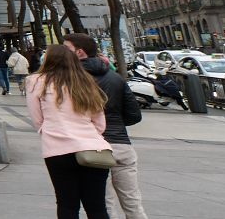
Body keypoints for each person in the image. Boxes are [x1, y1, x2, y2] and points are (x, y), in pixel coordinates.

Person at [27, 44, 111, 219]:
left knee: (67, 204)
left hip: (57, 149)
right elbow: (100, 122)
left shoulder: (36, 81)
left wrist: (52, 130)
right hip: (93, 148)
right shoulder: (86, 82)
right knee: (97, 207)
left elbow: (37, 118)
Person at [66, 32, 144, 219]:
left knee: (104, 204)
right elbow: (134, 115)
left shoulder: (71, 80)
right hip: (122, 146)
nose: (63, 52)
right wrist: (115, 124)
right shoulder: (115, 77)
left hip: (93, 149)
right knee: (133, 203)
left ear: (79, 53)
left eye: (66, 48)